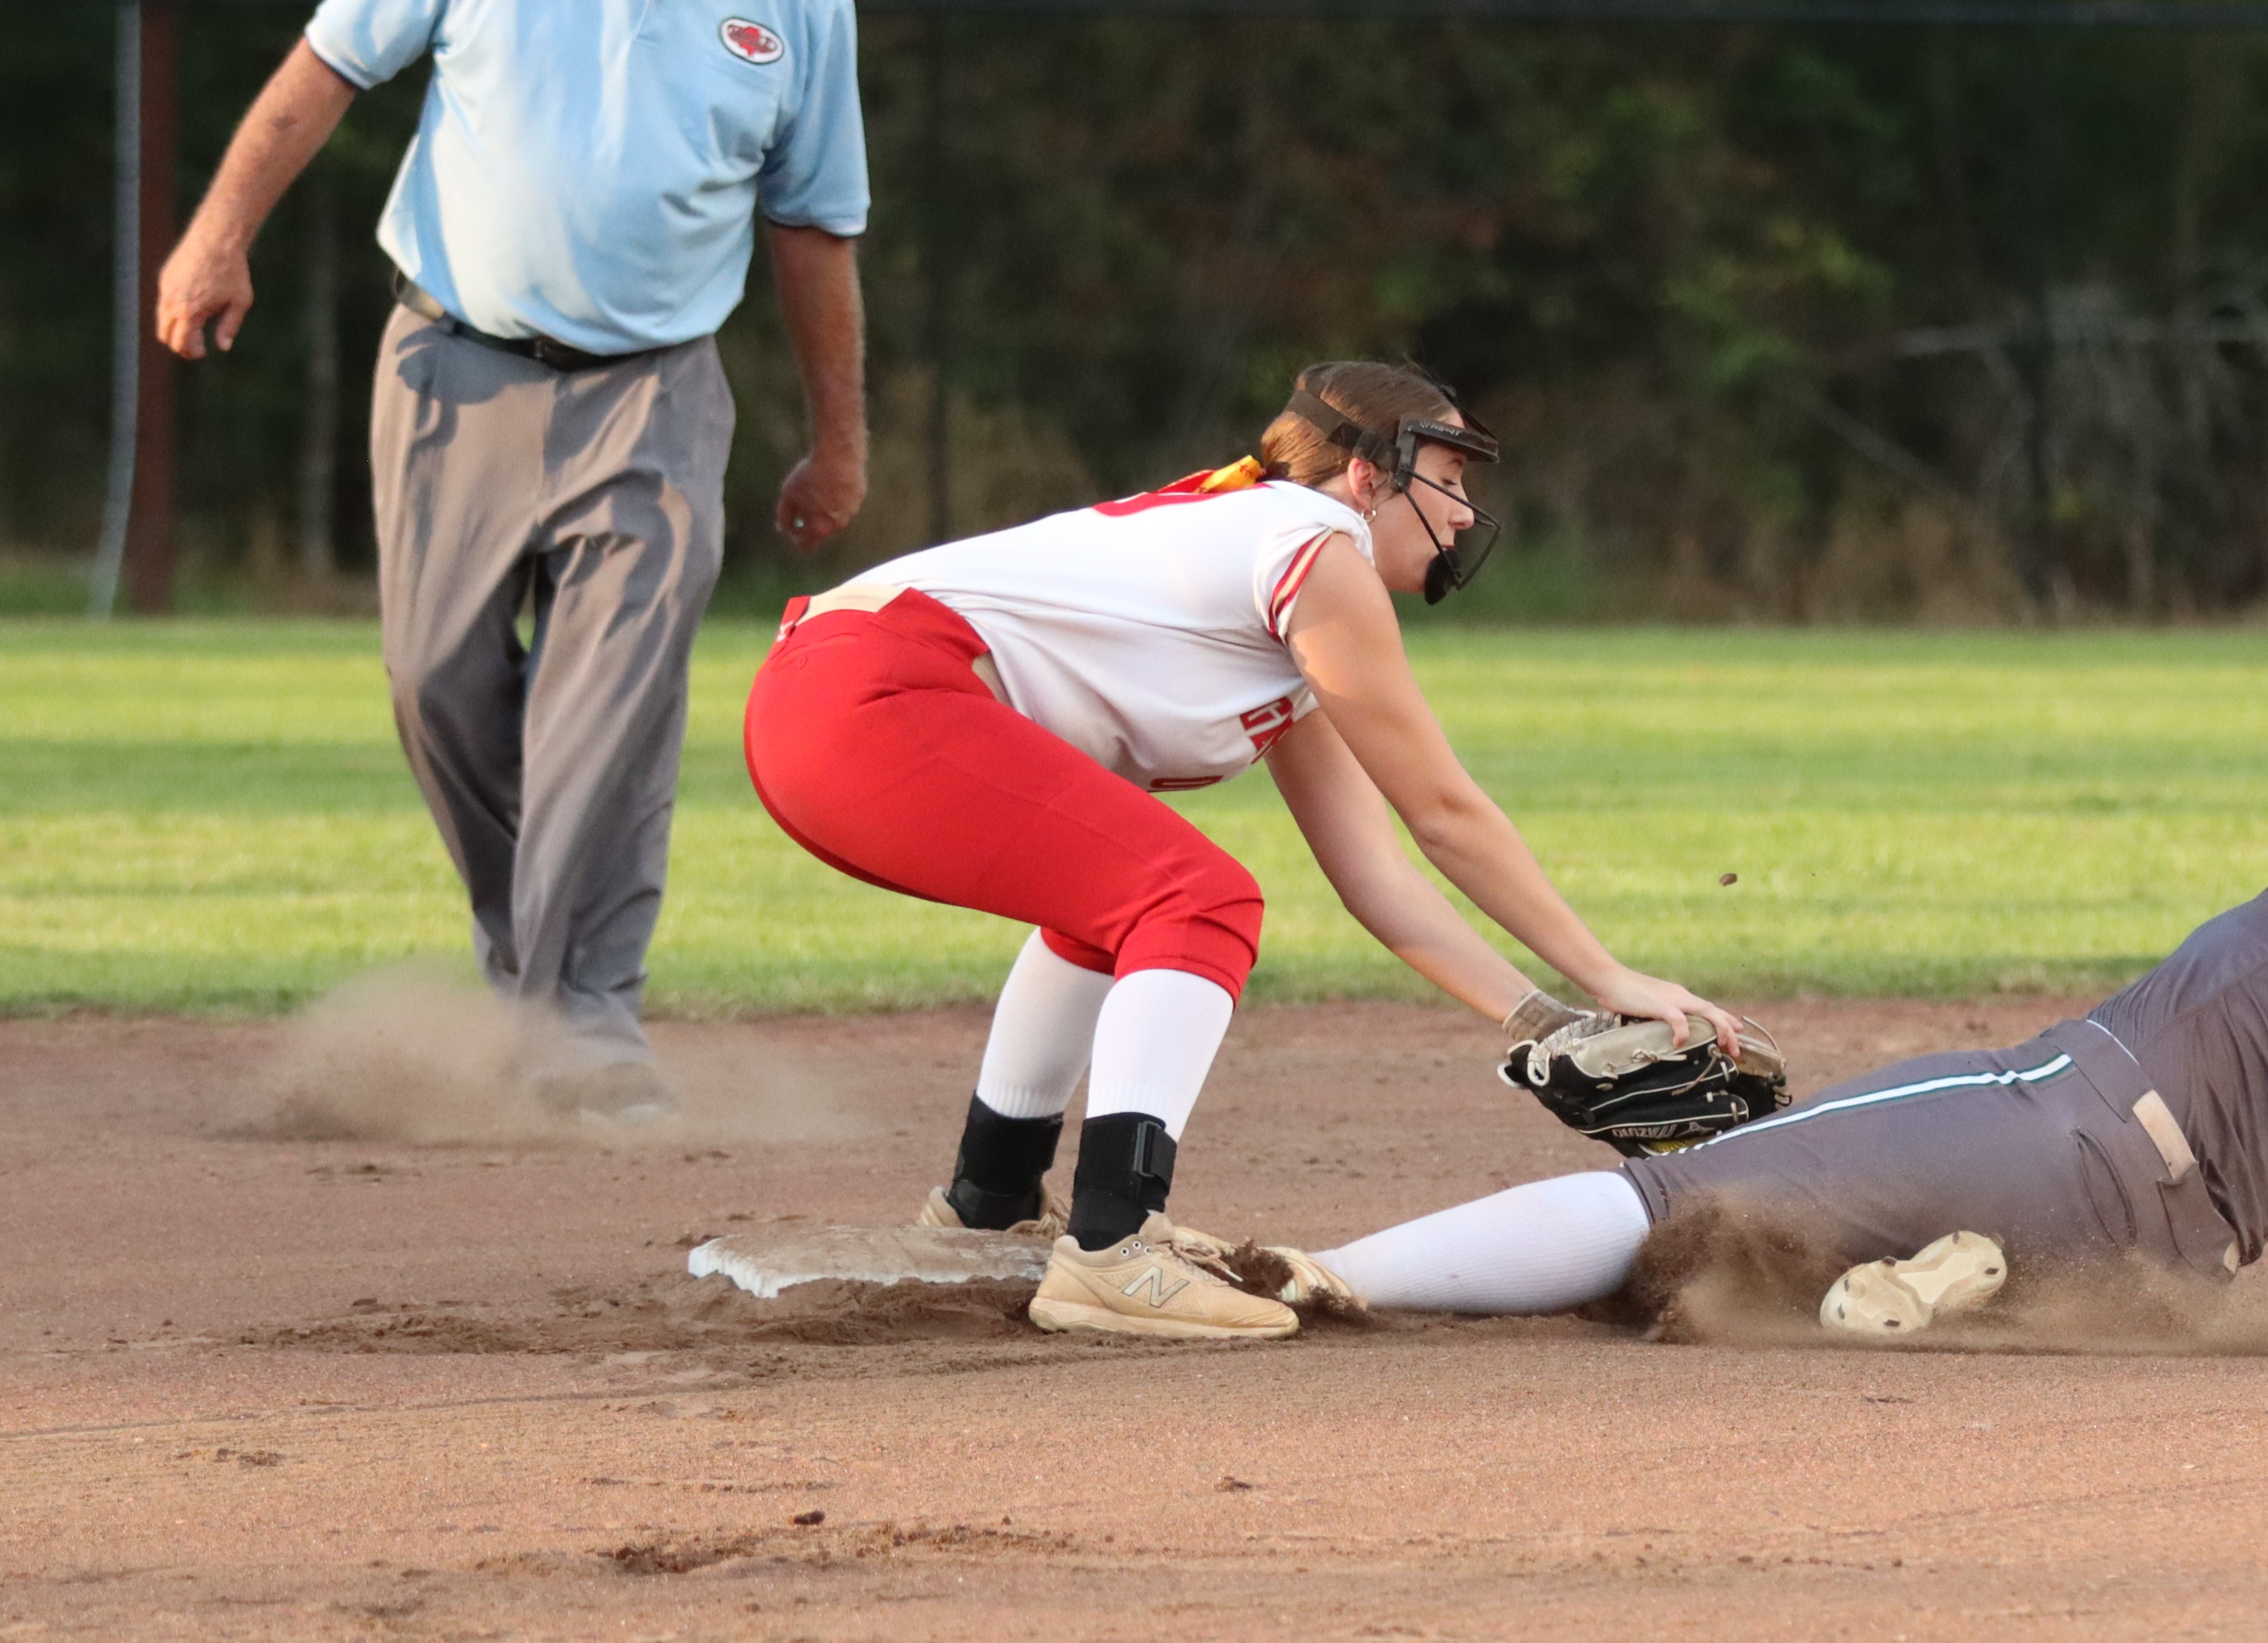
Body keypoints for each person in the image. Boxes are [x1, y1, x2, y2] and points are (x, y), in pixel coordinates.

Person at [150, 0, 869, 1120]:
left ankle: (580, 1022)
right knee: (438, 687)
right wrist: (218, 232)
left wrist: (838, 439)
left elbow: (814, 230)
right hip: (455, 363)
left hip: (656, 391)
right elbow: (332, 62)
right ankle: (527, 984)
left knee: (608, 712)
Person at [1284, 659, 2268, 1333]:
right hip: (2154, 1272)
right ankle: (1950, 1289)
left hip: (2045, 1127)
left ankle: (1318, 1275)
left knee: (1670, 1198)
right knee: (1788, 1259)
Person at [740, 361, 1744, 1342]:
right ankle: (1115, 1249)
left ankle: (989, 1202)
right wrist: (1608, 976)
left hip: (828, 710)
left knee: (1121, 903)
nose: (1461, 513)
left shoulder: (1275, 578)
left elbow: (1377, 876)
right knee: (1196, 900)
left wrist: (1542, 1022)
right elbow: (1443, 811)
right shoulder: (1317, 548)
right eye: (1447, 478)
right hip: (871, 702)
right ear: (1366, 476)